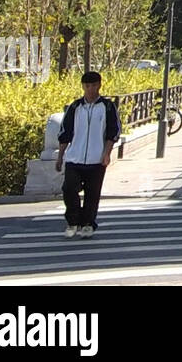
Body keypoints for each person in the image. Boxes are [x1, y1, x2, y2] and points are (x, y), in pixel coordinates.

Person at [55, 71, 122, 239]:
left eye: (93, 85)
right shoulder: (75, 107)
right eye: (87, 86)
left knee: (92, 194)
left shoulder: (107, 107)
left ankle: (88, 223)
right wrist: (60, 156)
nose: (90, 89)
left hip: (96, 158)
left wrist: (106, 154)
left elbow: (113, 132)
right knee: (69, 188)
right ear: (83, 87)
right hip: (74, 157)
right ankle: (73, 221)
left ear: (99, 85)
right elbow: (65, 132)